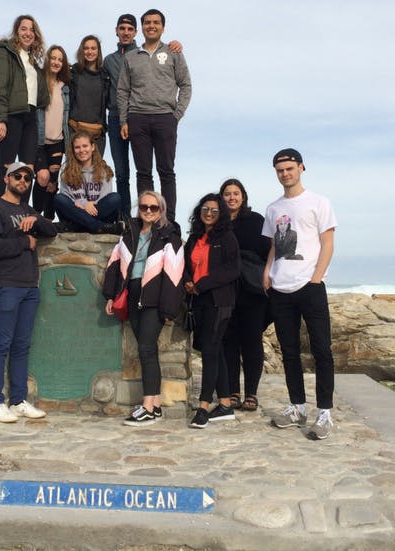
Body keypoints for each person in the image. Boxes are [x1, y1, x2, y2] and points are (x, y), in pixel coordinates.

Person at [262, 149, 338, 440]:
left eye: (289, 168)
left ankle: (325, 412)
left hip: (310, 286)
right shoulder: (273, 208)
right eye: (280, 170)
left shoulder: (319, 202)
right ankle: (297, 407)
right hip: (280, 288)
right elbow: (274, 247)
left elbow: (327, 243)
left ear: (301, 168)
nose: (285, 174)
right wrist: (267, 272)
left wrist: (316, 278)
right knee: (289, 352)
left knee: (322, 351)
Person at [0, 161, 58, 423]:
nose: (23, 180)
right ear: (6, 179)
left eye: (27, 177)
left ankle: (17, 401)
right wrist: (26, 241)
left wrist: (36, 219)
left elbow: (51, 230)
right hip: (7, 285)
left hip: (29, 286)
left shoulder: (28, 209)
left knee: (22, 346)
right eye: (17, 176)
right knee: (2, 344)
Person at [102, 191, 184, 426]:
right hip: (133, 295)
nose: (148, 211)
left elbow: (175, 272)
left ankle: (147, 407)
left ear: (161, 210)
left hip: (154, 298)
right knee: (147, 351)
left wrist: (168, 309)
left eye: (153, 208)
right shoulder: (129, 233)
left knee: (146, 349)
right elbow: (114, 263)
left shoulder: (169, 236)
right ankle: (154, 405)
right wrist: (110, 295)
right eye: (144, 207)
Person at [103, 14, 184, 217]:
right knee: (142, 173)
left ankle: (168, 221)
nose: (151, 26)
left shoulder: (173, 52)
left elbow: (186, 84)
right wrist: (124, 120)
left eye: (156, 23)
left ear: (163, 27)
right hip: (136, 118)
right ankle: (144, 218)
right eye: (147, 22)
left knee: (166, 171)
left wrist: (176, 115)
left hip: (165, 117)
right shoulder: (126, 58)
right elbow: (122, 90)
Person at [184, 194, 241, 429]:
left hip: (219, 302)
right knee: (215, 351)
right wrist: (188, 281)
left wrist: (202, 283)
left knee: (209, 351)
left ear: (221, 214)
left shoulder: (227, 237)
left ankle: (204, 406)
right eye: (205, 209)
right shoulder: (194, 237)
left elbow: (233, 269)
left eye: (214, 210)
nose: (209, 213)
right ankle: (225, 404)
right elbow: (185, 265)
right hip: (198, 301)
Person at [0, 15, 50, 199]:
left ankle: (23, 209)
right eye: (23, 29)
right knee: (7, 165)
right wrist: (1, 120)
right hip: (12, 115)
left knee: (28, 169)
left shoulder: (32, 60)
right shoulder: (5, 53)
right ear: (16, 32)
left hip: (30, 116)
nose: (28, 33)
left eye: (32, 30)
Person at [220, 179, 272, 412]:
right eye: (227, 194)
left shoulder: (256, 220)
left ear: (243, 196)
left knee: (252, 340)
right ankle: (233, 391)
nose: (232, 197)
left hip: (252, 288)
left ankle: (251, 392)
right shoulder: (217, 222)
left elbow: (269, 252)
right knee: (229, 340)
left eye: (236, 193)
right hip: (225, 289)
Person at [53, 132, 122, 234]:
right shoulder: (66, 170)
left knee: (115, 198)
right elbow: (66, 196)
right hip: (76, 212)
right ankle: (98, 227)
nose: (81, 150)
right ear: (73, 150)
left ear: (92, 147)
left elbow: (104, 197)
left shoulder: (104, 169)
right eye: (77, 147)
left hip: (95, 211)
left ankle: (77, 226)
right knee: (59, 198)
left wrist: (89, 205)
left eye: (85, 146)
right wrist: (84, 204)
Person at [32, 45, 71, 218]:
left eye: (60, 60)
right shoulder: (39, 81)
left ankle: (48, 220)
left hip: (58, 141)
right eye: (53, 58)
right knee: (42, 177)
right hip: (39, 142)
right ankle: (35, 215)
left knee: (52, 183)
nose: (56, 62)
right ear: (48, 60)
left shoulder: (65, 87)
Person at [68, 35, 109, 157]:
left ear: (98, 51)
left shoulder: (105, 76)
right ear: (81, 51)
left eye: (93, 48)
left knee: (96, 169)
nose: (90, 52)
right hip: (75, 130)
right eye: (86, 48)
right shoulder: (73, 72)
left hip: (96, 133)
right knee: (74, 168)